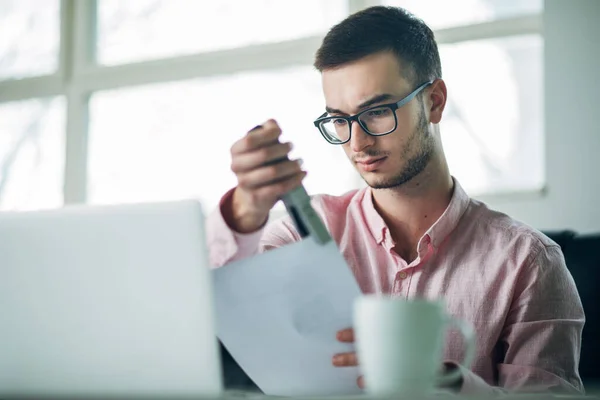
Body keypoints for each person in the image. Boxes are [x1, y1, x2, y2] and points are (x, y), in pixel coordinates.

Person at [207, 5, 584, 395]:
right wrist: (246, 210)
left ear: (435, 101)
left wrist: (449, 384)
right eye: (339, 119)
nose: (357, 143)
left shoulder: (529, 262)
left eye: (378, 112)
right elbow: (216, 300)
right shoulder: (302, 231)